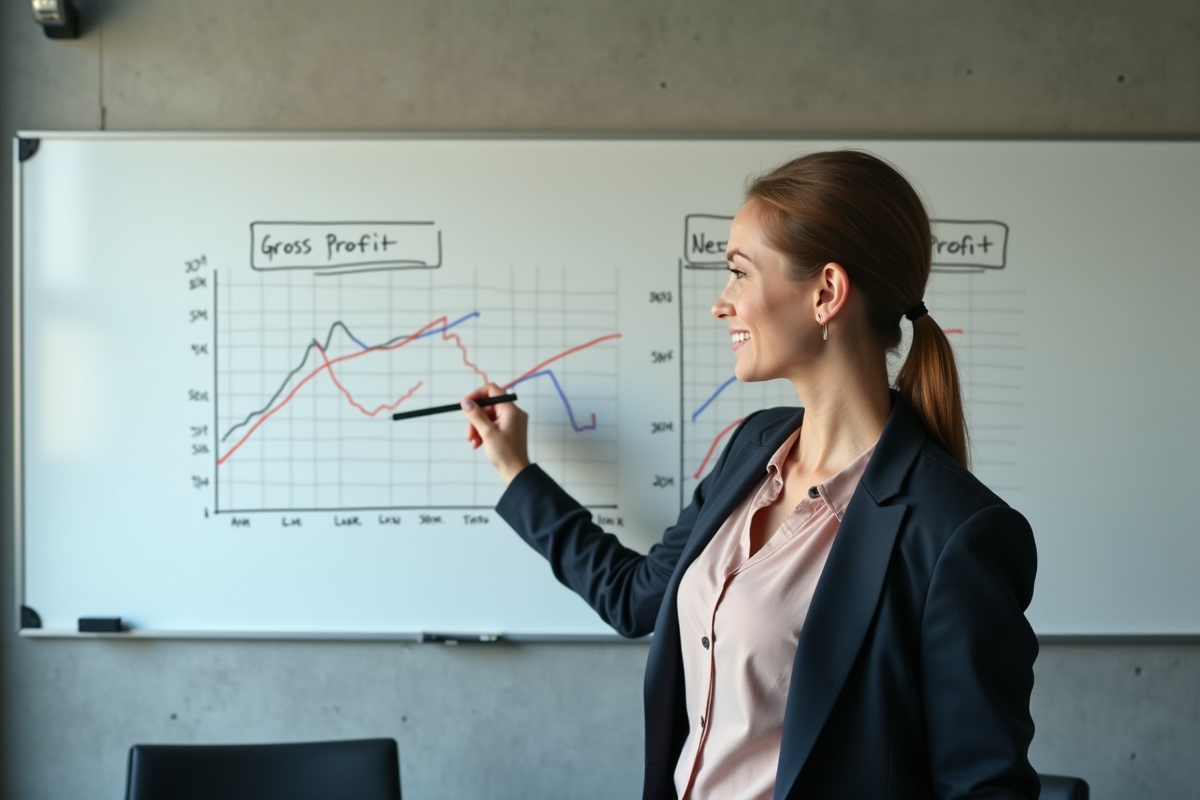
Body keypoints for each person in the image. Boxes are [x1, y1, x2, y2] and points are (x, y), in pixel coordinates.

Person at [460, 150, 1038, 800]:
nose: (720, 304)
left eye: (738, 273)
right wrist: (515, 469)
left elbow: (986, 788)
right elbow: (633, 596)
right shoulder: (752, 446)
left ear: (826, 292)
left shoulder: (956, 532)